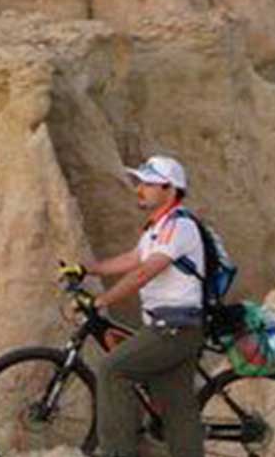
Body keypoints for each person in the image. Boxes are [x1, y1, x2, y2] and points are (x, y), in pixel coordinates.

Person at [69, 155, 205, 457]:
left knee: (112, 370)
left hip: (173, 328)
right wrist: (86, 269)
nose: (139, 189)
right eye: (139, 182)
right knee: (177, 407)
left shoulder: (178, 227)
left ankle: (118, 452)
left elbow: (144, 273)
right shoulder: (159, 227)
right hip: (174, 326)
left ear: (170, 189)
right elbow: (132, 260)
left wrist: (101, 300)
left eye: (148, 184)